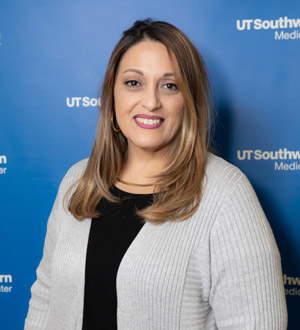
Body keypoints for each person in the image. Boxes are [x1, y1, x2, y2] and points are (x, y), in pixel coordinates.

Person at [25, 19, 287, 330]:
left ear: (188, 102)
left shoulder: (225, 193)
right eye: (133, 83)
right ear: (112, 96)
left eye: (169, 85)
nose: (150, 102)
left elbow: (258, 323)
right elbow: (46, 300)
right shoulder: (78, 180)